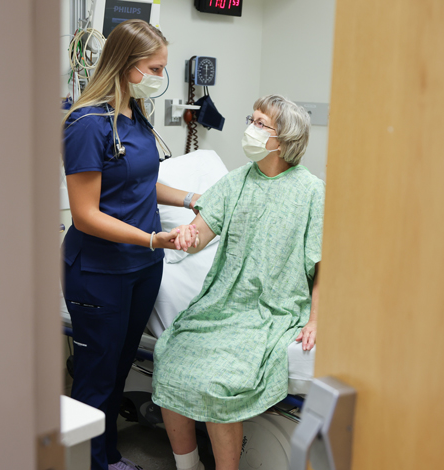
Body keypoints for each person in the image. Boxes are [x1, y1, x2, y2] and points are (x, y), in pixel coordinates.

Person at [152, 95, 324, 470]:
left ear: (283, 140)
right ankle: (189, 466)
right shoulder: (235, 183)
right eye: (253, 118)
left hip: (273, 309)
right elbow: (199, 234)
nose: (251, 127)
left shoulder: (312, 192)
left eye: (261, 123)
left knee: (219, 382)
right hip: (222, 305)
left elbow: (322, 267)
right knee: (168, 357)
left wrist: (314, 319)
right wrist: (184, 237)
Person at [62, 19, 200, 470]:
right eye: (154, 68)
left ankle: (109, 455)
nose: (160, 76)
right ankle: (92, 464)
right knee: (96, 375)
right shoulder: (87, 123)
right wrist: (150, 238)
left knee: (119, 367)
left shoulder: (135, 116)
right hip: (101, 271)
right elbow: (85, 213)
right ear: (126, 66)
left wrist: (193, 199)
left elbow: (142, 182)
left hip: (143, 265)